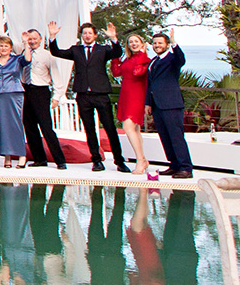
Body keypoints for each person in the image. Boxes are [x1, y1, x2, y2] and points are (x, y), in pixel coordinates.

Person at [49, 20, 131, 173]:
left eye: (89, 33)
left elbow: (117, 53)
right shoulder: (76, 50)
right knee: (89, 129)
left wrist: (114, 39)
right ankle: (96, 160)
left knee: (110, 128)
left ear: (95, 35)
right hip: (83, 95)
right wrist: (52, 37)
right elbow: (57, 52)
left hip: (100, 94)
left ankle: (119, 161)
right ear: (82, 35)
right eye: (84, 33)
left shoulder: (103, 49)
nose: (87, 35)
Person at [17, 29, 66, 170]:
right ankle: (39, 158)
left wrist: (56, 97)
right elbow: (2, 39)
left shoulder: (47, 55)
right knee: (29, 126)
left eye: (34, 39)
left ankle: (59, 160)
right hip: (25, 90)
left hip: (41, 91)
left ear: (40, 39)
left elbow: (56, 77)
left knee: (46, 126)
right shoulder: (23, 52)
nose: (32, 41)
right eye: (29, 39)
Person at [145, 33, 192, 179]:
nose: (157, 45)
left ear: (166, 45)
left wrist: (175, 44)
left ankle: (185, 168)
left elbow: (181, 59)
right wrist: (148, 102)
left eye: (160, 43)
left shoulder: (173, 59)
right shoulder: (153, 61)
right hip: (157, 105)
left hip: (171, 104)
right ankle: (174, 165)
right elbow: (150, 84)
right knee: (165, 137)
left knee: (176, 136)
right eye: (154, 43)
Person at [112, 34, 155, 180]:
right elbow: (116, 72)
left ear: (142, 44)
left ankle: (140, 160)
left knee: (128, 127)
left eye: (136, 41)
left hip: (137, 96)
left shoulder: (144, 60)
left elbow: (137, 73)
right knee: (135, 129)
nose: (133, 44)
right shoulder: (128, 59)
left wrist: (142, 53)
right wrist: (116, 56)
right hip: (126, 96)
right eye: (131, 42)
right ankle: (142, 159)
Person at [0, 35, 26, 167]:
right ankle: (7, 156)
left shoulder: (17, 59)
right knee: (2, 125)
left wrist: (26, 44)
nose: (3, 48)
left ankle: (22, 155)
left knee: (16, 124)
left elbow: (28, 60)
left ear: (11, 48)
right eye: (1, 46)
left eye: (6, 46)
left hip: (14, 93)